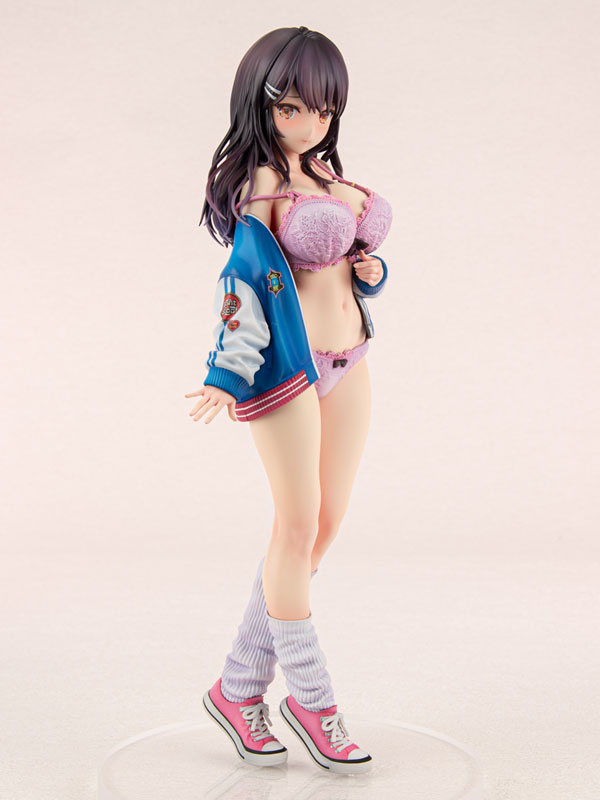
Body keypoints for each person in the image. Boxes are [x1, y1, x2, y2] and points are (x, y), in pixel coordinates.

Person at [184, 26, 392, 774]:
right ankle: (312, 698)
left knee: (320, 526)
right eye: (292, 107)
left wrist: (369, 274)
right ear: (261, 104)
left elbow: (346, 265)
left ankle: (237, 687)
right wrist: (226, 370)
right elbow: (243, 284)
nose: (309, 123)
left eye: (323, 109)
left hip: (351, 358)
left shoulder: (323, 172)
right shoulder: (263, 185)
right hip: (286, 372)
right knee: (298, 524)